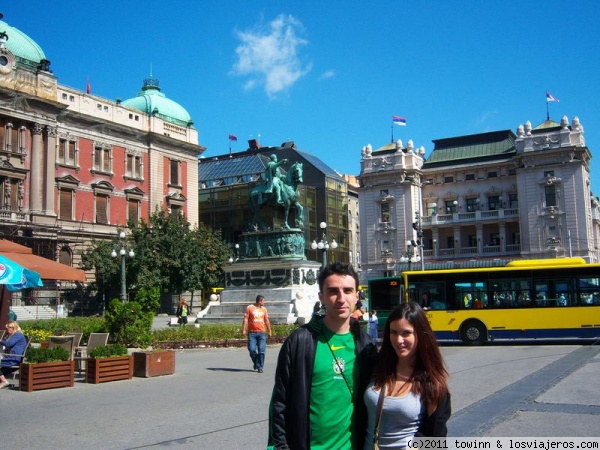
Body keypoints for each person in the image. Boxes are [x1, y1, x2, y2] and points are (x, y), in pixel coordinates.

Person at [268, 262, 378, 450]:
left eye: (348, 291)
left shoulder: (366, 346)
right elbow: (280, 403)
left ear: (357, 296)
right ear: (322, 297)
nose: (341, 298)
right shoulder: (300, 341)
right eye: (333, 291)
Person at [363, 302, 451, 449]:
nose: (398, 340)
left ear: (421, 335)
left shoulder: (432, 383)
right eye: (394, 332)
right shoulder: (376, 366)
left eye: (406, 333)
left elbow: (436, 437)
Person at [242, 295, 272, 373]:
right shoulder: (250, 308)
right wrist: (244, 330)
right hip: (252, 333)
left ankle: (260, 366)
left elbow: (266, 320)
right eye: (263, 301)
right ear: (259, 301)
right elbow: (245, 319)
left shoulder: (264, 309)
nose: (264, 302)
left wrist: (269, 331)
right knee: (252, 349)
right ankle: (256, 361)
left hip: (262, 332)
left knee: (261, 351)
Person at [0, 321, 27, 389]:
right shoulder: (16, 335)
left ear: (14, 327)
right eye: (7, 328)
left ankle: (4, 381)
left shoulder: (18, 335)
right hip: (13, 358)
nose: (7, 329)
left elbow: (9, 344)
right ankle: (4, 381)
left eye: (9, 327)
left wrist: (0, 341)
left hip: (14, 359)